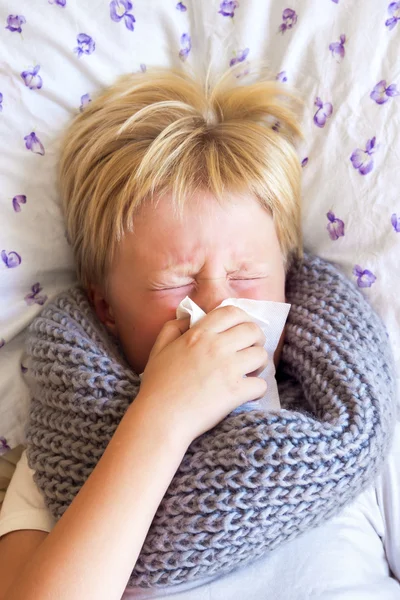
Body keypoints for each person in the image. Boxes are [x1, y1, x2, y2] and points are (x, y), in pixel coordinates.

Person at [0, 67, 399, 600]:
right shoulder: (64, 448)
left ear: (287, 284)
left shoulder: (356, 420)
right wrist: (162, 415)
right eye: (177, 280)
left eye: (245, 275)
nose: (218, 303)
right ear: (107, 307)